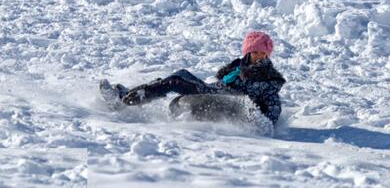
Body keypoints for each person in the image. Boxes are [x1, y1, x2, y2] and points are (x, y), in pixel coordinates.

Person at [100, 31, 286, 124]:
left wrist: (260, 121)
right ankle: (130, 95)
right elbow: (222, 83)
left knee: (177, 82)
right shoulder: (237, 67)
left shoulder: (268, 77)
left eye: (263, 54)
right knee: (181, 74)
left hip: (232, 105)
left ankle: (122, 103)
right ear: (248, 53)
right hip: (216, 93)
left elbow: (273, 107)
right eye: (256, 52)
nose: (260, 57)